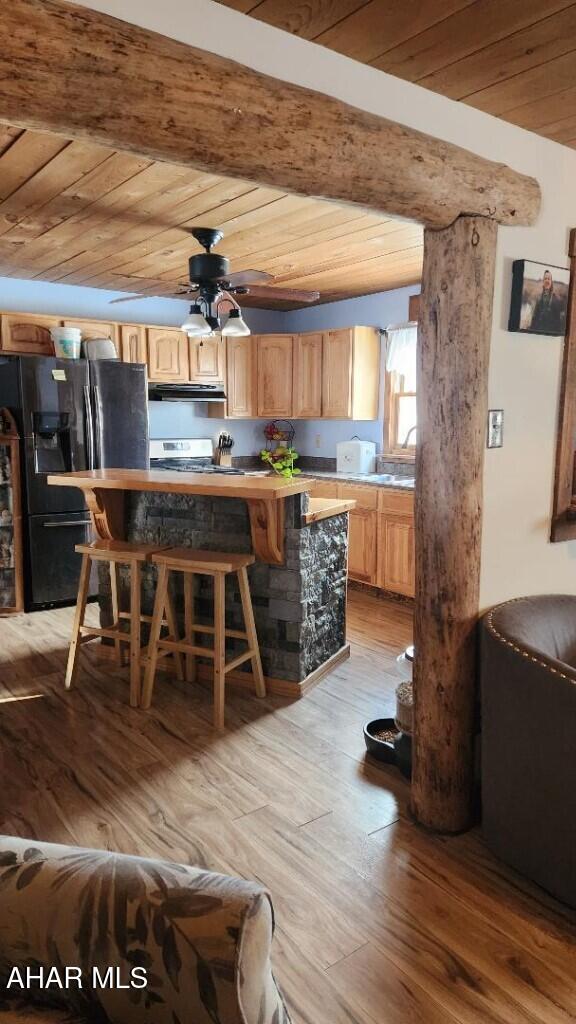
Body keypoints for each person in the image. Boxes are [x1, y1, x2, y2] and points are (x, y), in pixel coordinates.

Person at [530, 269, 566, 334]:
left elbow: (558, 322)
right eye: (545, 279)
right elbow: (534, 318)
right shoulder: (538, 298)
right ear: (543, 281)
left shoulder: (556, 299)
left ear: (551, 282)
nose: (547, 281)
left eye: (549, 279)